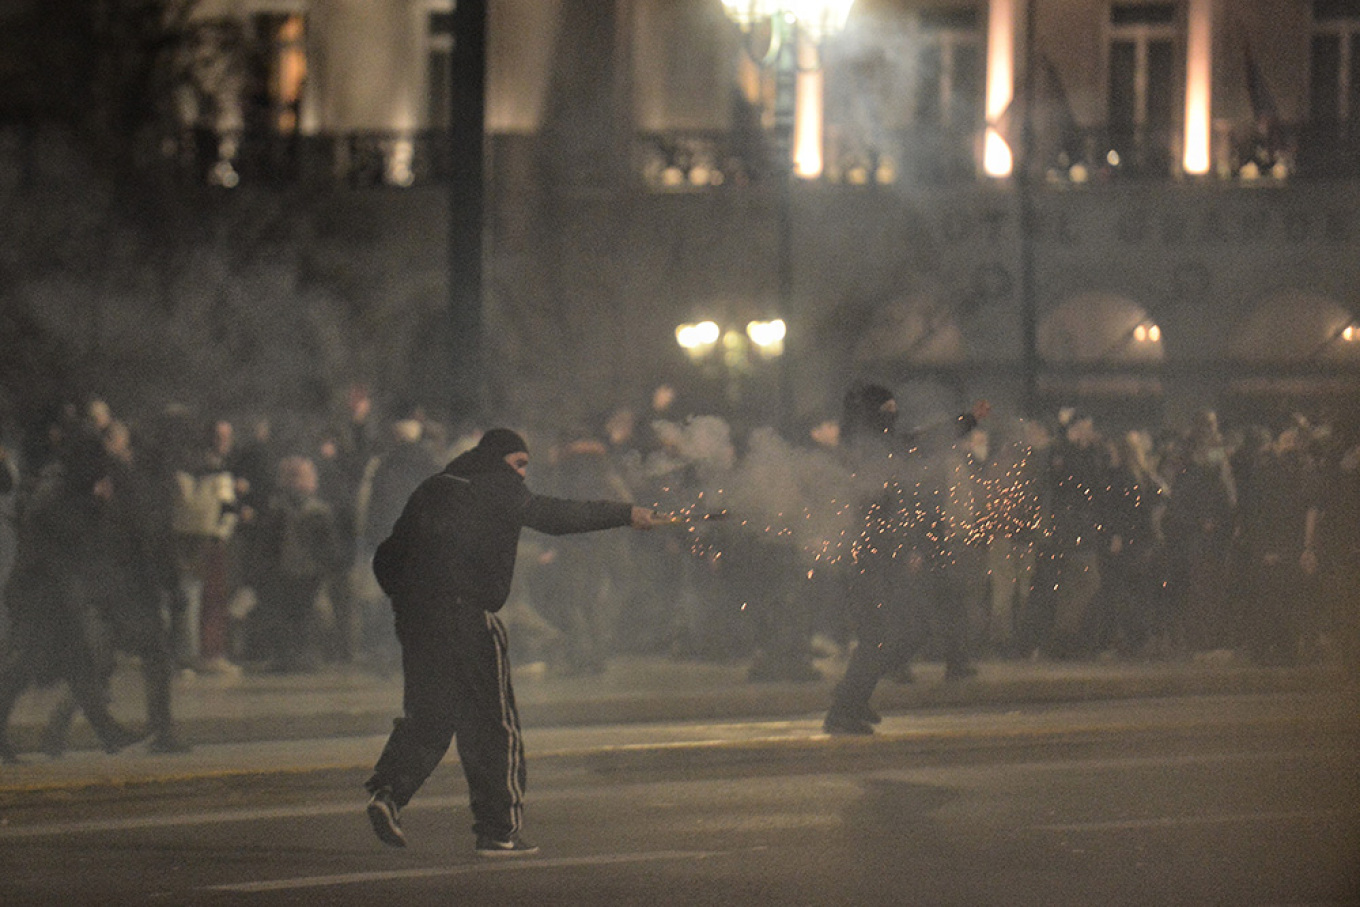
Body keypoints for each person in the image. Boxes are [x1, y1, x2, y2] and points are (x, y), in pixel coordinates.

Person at [363, 428, 658, 856]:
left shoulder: (434, 486)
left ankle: (388, 793)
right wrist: (625, 513)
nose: (522, 475)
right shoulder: (498, 485)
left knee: (429, 714)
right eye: (520, 464)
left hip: (416, 618)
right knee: (493, 725)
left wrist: (407, 600)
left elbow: (388, 555)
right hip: (467, 618)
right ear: (503, 459)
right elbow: (555, 516)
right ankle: (500, 830)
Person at [822, 384, 988, 735]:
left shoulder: (881, 447)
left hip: (885, 556)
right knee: (880, 635)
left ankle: (854, 696)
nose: (895, 413)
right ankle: (844, 708)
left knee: (908, 628)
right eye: (888, 407)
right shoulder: (864, 452)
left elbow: (926, 441)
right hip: (867, 558)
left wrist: (968, 419)